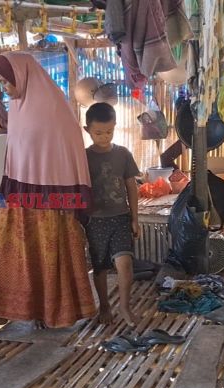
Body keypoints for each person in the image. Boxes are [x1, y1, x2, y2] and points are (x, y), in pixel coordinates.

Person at [0, 52, 97, 336]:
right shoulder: (17, 106)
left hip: (52, 202)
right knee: (11, 253)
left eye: (7, 82)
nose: (5, 89)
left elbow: (68, 152)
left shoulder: (53, 108)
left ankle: (55, 312)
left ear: (22, 76)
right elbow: (16, 154)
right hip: (19, 196)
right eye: (1, 83)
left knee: (50, 256)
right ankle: (11, 311)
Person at [83, 102, 141, 326]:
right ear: (87, 130)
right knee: (100, 267)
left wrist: (135, 218)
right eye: (98, 133)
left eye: (109, 132)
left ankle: (125, 307)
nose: (104, 137)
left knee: (125, 263)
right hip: (94, 221)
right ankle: (105, 306)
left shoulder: (123, 154)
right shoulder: (83, 157)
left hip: (120, 218)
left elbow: (131, 188)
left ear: (115, 127)